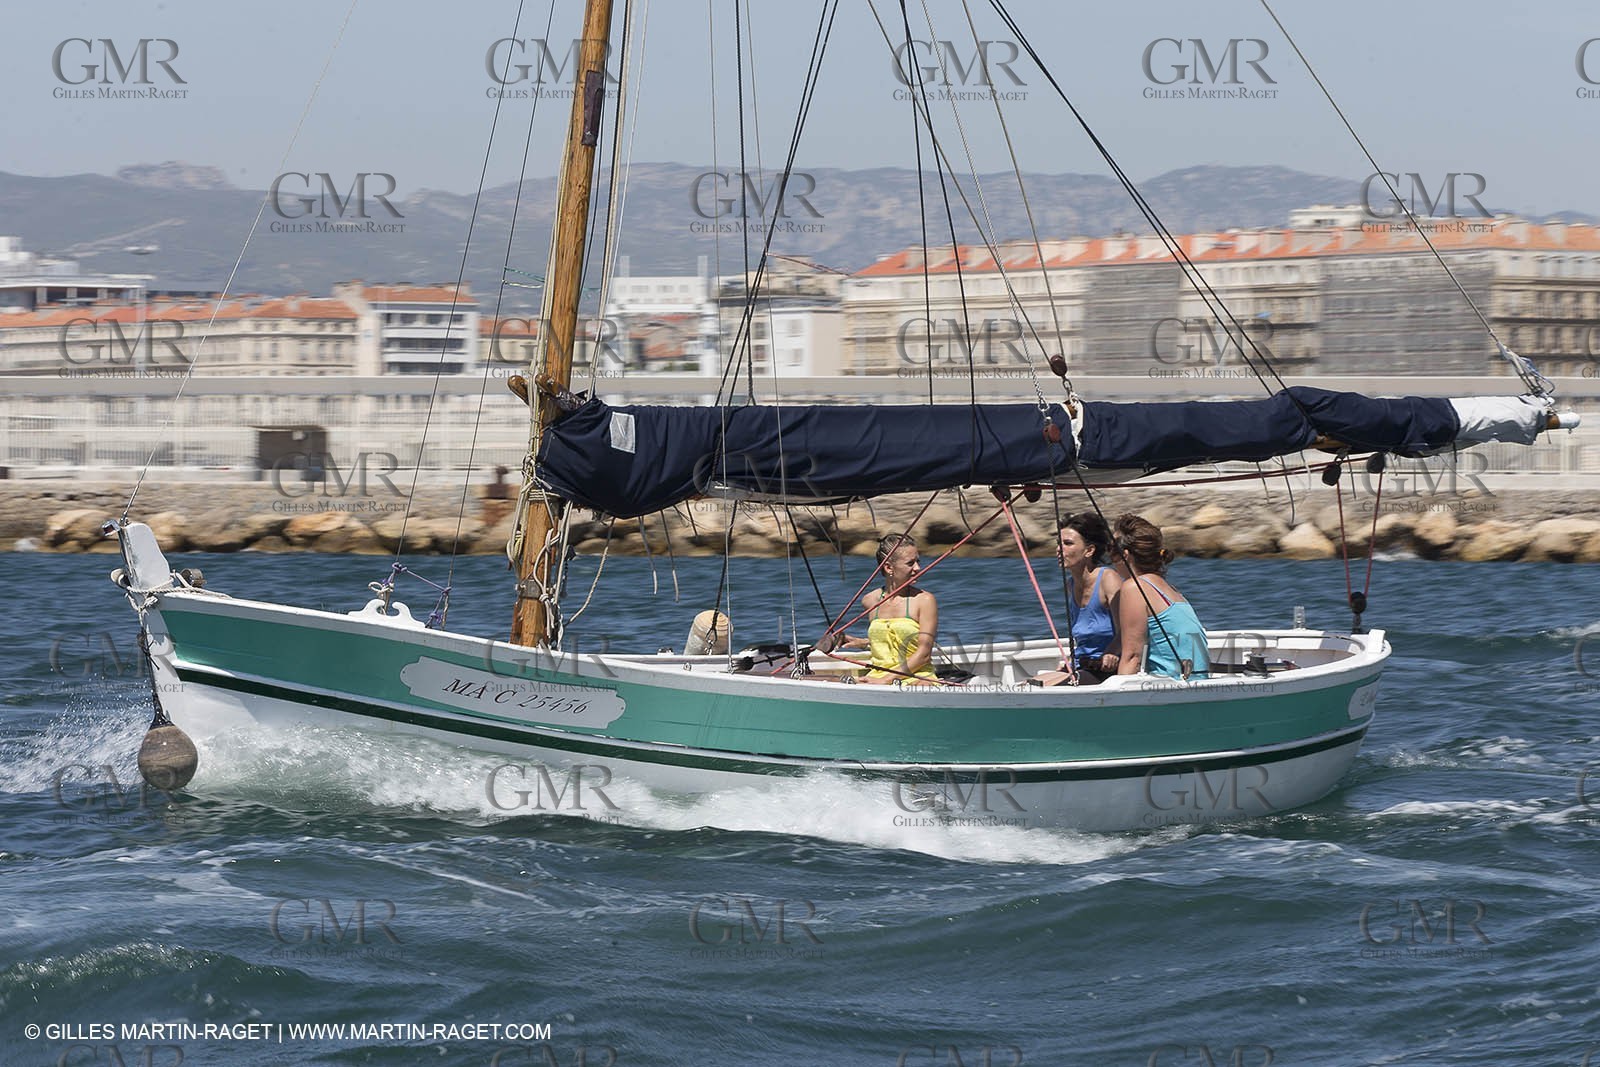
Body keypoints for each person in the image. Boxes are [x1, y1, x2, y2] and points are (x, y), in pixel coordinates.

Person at [828, 533, 939, 685]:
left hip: (917, 676)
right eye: (910, 563)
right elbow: (893, 640)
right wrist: (864, 642)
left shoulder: (924, 600)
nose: (918, 568)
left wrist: (886, 680)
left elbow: (924, 654)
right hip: (877, 676)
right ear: (888, 567)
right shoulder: (870, 601)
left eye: (918, 561)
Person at [1110, 513, 1210, 681]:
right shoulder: (1170, 590)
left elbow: (1133, 657)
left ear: (1125, 555)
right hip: (1198, 682)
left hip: (1173, 686)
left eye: (1112, 550)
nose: (1110, 558)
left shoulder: (1134, 587)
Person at [1035, 513, 1123, 686]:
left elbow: (1127, 630)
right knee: (1028, 685)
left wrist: (1112, 652)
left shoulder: (1108, 579)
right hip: (1080, 666)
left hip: (1105, 670)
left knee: (1048, 689)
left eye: (1068, 543)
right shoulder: (1071, 585)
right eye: (1058, 543)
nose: (1059, 549)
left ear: (1089, 551)